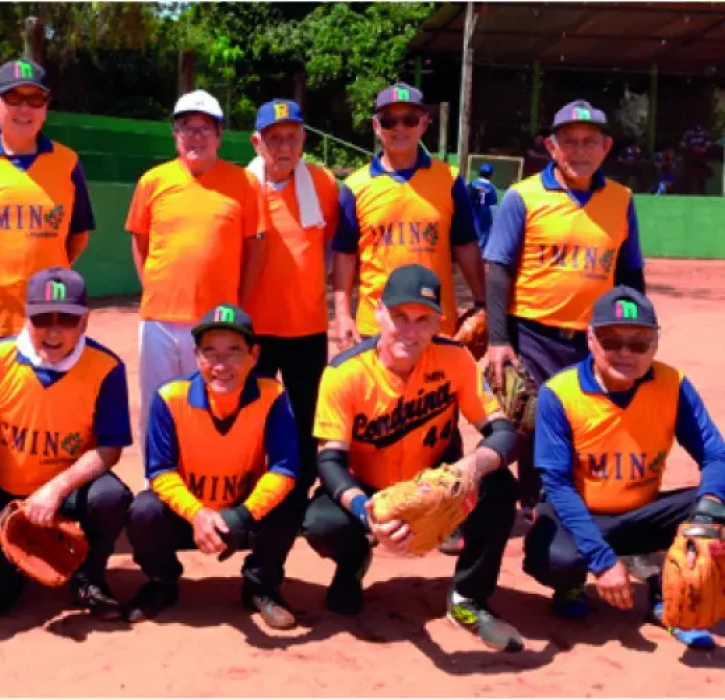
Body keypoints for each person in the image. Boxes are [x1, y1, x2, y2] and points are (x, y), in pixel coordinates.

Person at [302, 264, 524, 653]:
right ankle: (353, 564)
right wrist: (366, 512)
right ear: (378, 313)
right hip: (370, 488)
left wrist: (471, 468)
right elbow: (330, 462)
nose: (410, 330)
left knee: (500, 486)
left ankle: (467, 599)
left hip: (433, 485)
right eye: (400, 317)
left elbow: (503, 433)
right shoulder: (345, 373)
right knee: (321, 523)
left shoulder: (455, 360)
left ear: (439, 321)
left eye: (423, 319)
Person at [523, 286, 725, 650]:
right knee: (553, 557)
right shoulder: (561, 393)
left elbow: (715, 455)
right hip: (579, 515)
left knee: (720, 505)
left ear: (655, 344)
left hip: (641, 513)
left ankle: (672, 598)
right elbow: (557, 484)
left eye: (639, 342)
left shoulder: (672, 385)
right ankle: (571, 582)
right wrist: (601, 561)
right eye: (612, 340)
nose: (625, 352)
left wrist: (708, 513)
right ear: (590, 339)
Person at [484, 99, 646, 519]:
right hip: (532, 334)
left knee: (589, 423)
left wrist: (636, 337)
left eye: (590, 141)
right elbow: (498, 267)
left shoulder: (621, 199)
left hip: (598, 339)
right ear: (551, 147)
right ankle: (505, 504)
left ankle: (563, 508)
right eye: (569, 141)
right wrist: (499, 340)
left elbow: (630, 274)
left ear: (606, 147)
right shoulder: (523, 196)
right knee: (523, 424)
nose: (579, 151)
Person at [0, 267, 133, 619]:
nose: (53, 331)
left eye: (67, 320)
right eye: (42, 318)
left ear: (84, 322)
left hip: (65, 493)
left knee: (110, 497)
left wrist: (54, 491)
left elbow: (109, 449)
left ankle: (88, 576)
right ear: (27, 317)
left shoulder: (105, 368)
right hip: (5, 491)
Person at [124, 303, 301, 630]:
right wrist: (197, 514)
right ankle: (161, 582)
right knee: (143, 510)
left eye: (234, 351)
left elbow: (284, 470)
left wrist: (241, 516)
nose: (221, 364)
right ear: (197, 356)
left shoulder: (272, 395)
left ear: (254, 355)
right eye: (210, 352)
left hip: (243, 512)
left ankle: (261, 585)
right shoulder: (169, 397)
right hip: (189, 516)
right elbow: (159, 471)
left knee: (289, 501)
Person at [126, 90, 266, 449]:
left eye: (206, 128)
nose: (196, 136)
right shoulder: (152, 181)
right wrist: (153, 290)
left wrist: (239, 306)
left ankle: (206, 485)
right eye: (187, 127)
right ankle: (155, 488)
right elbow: (140, 242)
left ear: (219, 136)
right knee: (159, 404)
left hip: (214, 322)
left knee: (211, 405)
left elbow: (255, 247)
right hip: (158, 320)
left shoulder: (244, 184)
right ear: (176, 135)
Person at [0, 58, 95, 377]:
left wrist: (49, 271)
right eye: (14, 98)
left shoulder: (67, 163)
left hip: (48, 320)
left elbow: (79, 235)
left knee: (40, 421)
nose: (25, 109)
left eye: (35, 99)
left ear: (46, 108)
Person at [332, 82, 485, 350]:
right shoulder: (356, 186)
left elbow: (466, 246)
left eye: (409, 119)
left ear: (424, 124)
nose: (400, 128)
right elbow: (345, 255)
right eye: (390, 120)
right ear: (376, 126)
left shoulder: (448, 180)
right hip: (377, 324)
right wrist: (343, 314)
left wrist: (483, 302)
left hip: (435, 321)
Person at [245, 99, 340, 497]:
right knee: (253, 412)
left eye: (292, 137)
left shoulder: (324, 185)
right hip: (253, 327)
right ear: (256, 142)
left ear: (303, 139)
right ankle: (251, 488)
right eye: (274, 138)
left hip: (307, 326)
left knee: (305, 414)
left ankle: (298, 490)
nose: (284, 147)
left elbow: (333, 246)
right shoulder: (241, 186)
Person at [468, 163, 499, 251]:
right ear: (491, 175)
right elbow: (493, 207)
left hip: (472, 215)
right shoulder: (491, 188)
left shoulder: (472, 184)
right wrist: (495, 222)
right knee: (483, 241)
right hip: (485, 216)